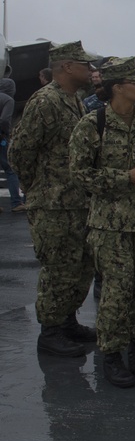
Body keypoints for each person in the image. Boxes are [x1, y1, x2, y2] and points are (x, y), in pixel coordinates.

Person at [67, 57, 135, 388]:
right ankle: (112, 354)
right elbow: (79, 175)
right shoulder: (92, 125)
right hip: (109, 225)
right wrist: (124, 178)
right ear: (118, 87)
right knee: (116, 290)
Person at [8, 41, 101, 357]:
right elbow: (19, 152)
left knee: (80, 266)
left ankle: (67, 322)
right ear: (66, 67)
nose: (91, 71)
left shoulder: (75, 101)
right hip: (53, 204)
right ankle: (50, 333)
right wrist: (36, 189)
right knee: (59, 268)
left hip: (77, 202)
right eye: (85, 65)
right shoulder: (44, 102)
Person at [0, 78, 26, 213]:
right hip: (1, 138)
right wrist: (5, 134)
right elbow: (5, 119)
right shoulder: (8, 100)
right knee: (10, 170)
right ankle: (16, 202)